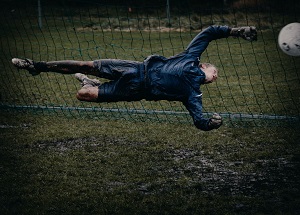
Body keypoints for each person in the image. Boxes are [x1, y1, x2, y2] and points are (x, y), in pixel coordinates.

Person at [12, 25, 257, 131]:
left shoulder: (193, 92)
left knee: (84, 95)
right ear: (204, 65)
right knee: (86, 64)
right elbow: (209, 33)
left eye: (215, 79)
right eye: (215, 73)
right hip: (134, 69)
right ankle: (37, 66)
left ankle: (89, 84)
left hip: (135, 91)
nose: (215, 78)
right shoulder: (191, 56)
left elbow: (198, 119)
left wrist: (209, 123)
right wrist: (235, 32)